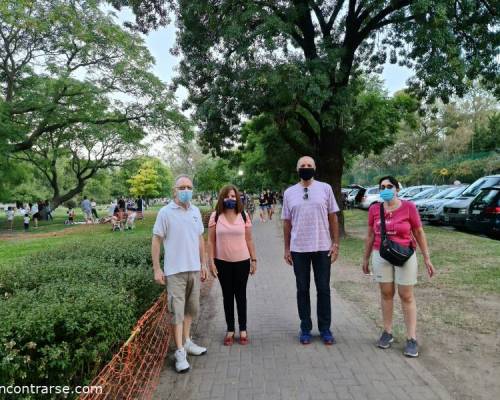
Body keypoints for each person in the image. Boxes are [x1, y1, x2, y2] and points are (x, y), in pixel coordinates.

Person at [362, 176, 436, 358]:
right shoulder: (374, 209)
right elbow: (371, 235)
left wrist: (427, 258)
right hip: (381, 255)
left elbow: (418, 231)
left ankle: (411, 338)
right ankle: (387, 332)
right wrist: (365, 259)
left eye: (389, 186)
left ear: (397, 189)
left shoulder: (409, 207)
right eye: (382, 187)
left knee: (406, 295)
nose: (386, 189)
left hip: (405, 256)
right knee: (386, 294)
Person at [152, 175, 208, 373]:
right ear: (174, 190)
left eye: (189, 187)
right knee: (177, 313)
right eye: (182, 187)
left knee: (191, 310)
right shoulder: (165, 212)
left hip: (193, 268)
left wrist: (204, 264)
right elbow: (156, 240)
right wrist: (157, 268)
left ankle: (187, 341)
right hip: (175, 272)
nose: (186, 190)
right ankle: (180, 352)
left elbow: (200, 238)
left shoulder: (195, 211)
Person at [282, 156, 340, 345]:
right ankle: (305, 328)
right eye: (302, 166)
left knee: (323, 289)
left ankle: (325, 329)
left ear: (315, 168)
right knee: (302, 289)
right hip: (299, 249)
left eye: (309, 165)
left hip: (322, 247)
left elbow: (333, 217)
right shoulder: (289, 192)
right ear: (297, 169)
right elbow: (287, 222)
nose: (305, 168)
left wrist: (335, 243)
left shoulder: (325, 188)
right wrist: (287, 248)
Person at [208, 185, 257, 346]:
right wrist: (211, 261)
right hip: (222, 263)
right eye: (228, 196)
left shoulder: (243, 215)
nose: (231, 199)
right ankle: (230, 329)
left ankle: (243, 329)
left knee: (241, 295)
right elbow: (211, 241)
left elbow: (249, 239)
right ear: (222, 198)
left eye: (234, 196)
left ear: (238, 199)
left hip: (242, 262)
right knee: (227, 296)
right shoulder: (215, 216)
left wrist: (254, 260)